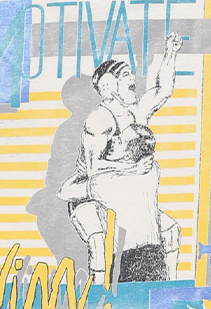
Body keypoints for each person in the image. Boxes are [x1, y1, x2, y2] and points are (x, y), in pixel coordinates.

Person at [59, 32, 184, 283]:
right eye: (126, 75)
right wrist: (132, 170)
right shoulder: (99, 119)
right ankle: (97, 293)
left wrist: (171, 52)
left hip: (126, 195)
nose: (133, 79)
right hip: (89, 196)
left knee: (171, 231)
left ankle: (168, 288)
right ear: (109, 85)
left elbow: (164, 89)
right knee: (99, 241)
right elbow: (94, 171)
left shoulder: (138, 111)